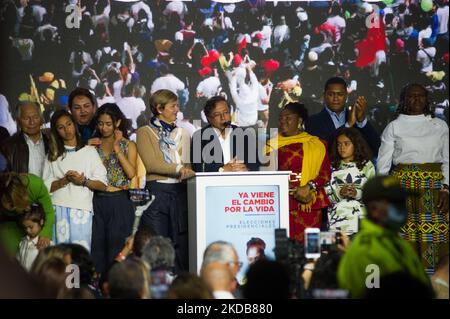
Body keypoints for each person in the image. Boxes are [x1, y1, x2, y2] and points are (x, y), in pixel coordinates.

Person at [377, 83, 449, 274]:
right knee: (405, 238)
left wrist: (446, 188)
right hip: (403, 189)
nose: (416, 100)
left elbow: (448, 159)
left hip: (435, 190)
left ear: (427, 100)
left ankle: (437, 286)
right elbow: (383, 164)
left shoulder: (440, 125)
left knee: (435, 239)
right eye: (411, 96)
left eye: (420, 96)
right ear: (404, 100)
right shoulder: (394, 126)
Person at [337, 176, 431, 298]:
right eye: (396, 203)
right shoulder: (367, 250)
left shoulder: (397, 242)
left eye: (403, 202)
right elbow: (374, 294)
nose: (403, 207)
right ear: (374, 209)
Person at [136, 89, 194, 272]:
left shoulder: (184, 133)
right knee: (158, 245)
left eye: (177, 105)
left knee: (181, 244)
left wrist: (185, 170)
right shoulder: (145, 132)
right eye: (173, 106)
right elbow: (152, 164)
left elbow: (188, 165)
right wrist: (178, 169)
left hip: (180, 193)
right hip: (157, 195)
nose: (177, 109)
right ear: (159, 108)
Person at [42, 110, 107, 251]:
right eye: (61, 127)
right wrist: (64, 180)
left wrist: (83, 181)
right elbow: (45, 187)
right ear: (56, 131)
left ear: (75, 125)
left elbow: (103, 184)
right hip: (57, 208)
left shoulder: (89, 151)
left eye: (69, 124)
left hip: (81, 210)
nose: (67, 130)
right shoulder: (52, 155)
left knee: (79, 257)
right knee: (58, 258)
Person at [266, 103, 331, 243]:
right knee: (283, 248)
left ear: (300, 121)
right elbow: (267, 176)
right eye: (281, 118)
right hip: (283, 202)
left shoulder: (317, 144)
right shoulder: (270, 145)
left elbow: (325, 174)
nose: (283, 121)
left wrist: (309, 187)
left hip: (310, 204)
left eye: (288, 117)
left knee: (310, 248)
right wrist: (292, 188)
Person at [90, 103, 137, 275]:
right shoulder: (93, 144)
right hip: (96, 201)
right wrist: (86, 148)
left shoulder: (128, 145)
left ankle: (117, 285)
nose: (103, 128)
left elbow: (131, 174)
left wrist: (117, 148)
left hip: (119, 201)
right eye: (100, 123)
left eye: (108, 124)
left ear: (117, 123)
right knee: (97, 248)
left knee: (117, 248)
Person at [305, 77, 381, 156]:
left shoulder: (357, 119)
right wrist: (348, 125)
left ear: (346, 96)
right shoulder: (313, 121)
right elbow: (321, 149)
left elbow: (377, 147)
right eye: (331, 94)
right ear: (324, 96)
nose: (335, 98)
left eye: (340, 94)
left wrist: (362, 121)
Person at [325, 127, 376, 234]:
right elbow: (326, 195)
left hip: (361, 223)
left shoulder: (366, 165)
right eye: (339, 144)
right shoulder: (331, 167)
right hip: (337, 223)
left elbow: (372, 194)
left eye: (346, 143)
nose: (342, 147)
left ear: (356, 144)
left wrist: (357, 193)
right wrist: (339, 193)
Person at [191, 96, 260, 172]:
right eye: (217, 114)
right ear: (209, 119)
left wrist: (246, 170)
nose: (223, 117)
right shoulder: (199, 138)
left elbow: (255, 165)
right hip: (213, 183)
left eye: (226, 112)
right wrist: (221, 170)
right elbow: (198, 168)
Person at [0, 172, 54, 255]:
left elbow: (49, 212)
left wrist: (45, 233)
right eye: (10, 204)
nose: (13, 207)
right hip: (10, 223)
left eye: (15, 203)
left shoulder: (35, 185)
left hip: (34, 222)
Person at [0, 101, 49, 177]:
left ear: (41, 119)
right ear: (18, 121)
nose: (32, 122)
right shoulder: (7, 147)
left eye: (35, 117)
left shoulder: (52, 141)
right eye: (26, 118)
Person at [16, 203, 52, 271]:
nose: (27, 230)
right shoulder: (22, 242)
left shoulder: (46, 243)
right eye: (25, 227)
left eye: (31, 227)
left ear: (41, 222)